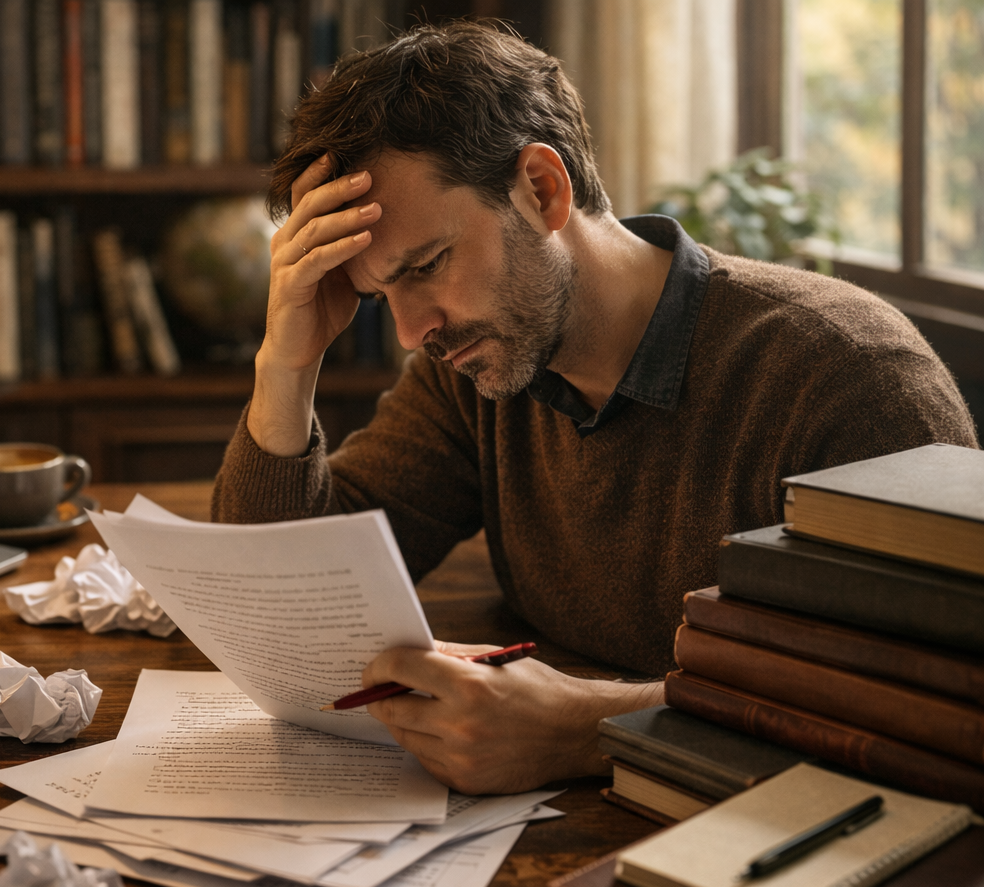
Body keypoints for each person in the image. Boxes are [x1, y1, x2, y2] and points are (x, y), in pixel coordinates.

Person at [211, 21, 978, 795]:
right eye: (383, 295)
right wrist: (286, 362)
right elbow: (281, 604)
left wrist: (593, 729)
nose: (414, 331)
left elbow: (934, 706)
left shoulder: (849, 379)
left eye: (428, 265)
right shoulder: (482, 369)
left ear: (541, 189)